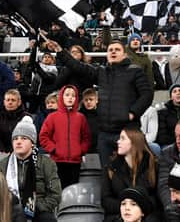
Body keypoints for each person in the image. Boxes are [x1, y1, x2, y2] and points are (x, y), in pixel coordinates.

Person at [47, 38, 153, 167]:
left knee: (131, 171)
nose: (113, 52)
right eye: (110, 50)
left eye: (117, 50)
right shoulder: (101, 72)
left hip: (128, 130)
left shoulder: (135, 71)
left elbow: (147, 95)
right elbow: (78, 66)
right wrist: (59, 50)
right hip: (104, 133)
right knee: (106, 173)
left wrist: (132, 113)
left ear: (125, 54)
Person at [0, 119, 62, 221]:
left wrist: (36, 208)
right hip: (11, 211)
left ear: (32, 143)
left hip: (38, 210)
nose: (18, 141)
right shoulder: (3, 165)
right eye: (15, 139)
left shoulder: (46, 163)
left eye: (24, 138)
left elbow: (55, 195)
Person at [102, 127, 159, 222]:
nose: (118, 142)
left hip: (147, 216)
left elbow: (157, 197)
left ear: (134, 142)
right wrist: (126, 207)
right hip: (117, 216)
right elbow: (105, 199)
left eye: (122, 138)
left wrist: (139, 209)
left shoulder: (153, 165)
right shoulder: (111, 167)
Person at [39, 85, 91, 188]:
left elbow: (86, 138)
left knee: (73, 191)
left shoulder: (80, 117)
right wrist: (54, 149)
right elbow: (43, 137)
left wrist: (80, 150)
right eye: (67, 95)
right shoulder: (52, 117)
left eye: (73, 95)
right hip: (57, 161)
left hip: (75, 162)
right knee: (58, 190)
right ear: (62, 97)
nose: (70, 98)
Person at [0, 89, 32, 153]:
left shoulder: (26, 117)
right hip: (3, 152)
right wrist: (1, 150)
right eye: (8, 100)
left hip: (21, 151)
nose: (10, 102)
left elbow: (28, 138)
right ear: (4, 102)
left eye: (13, 100)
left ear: (19, 102)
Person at [80, 87, 99, 152]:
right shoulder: (80, 116)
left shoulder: (102, 114)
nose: (88, 102)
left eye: (91, 99)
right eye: (86, 100)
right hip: (83, 149)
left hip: (98, 149)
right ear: (83, 101)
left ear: (96, 100)